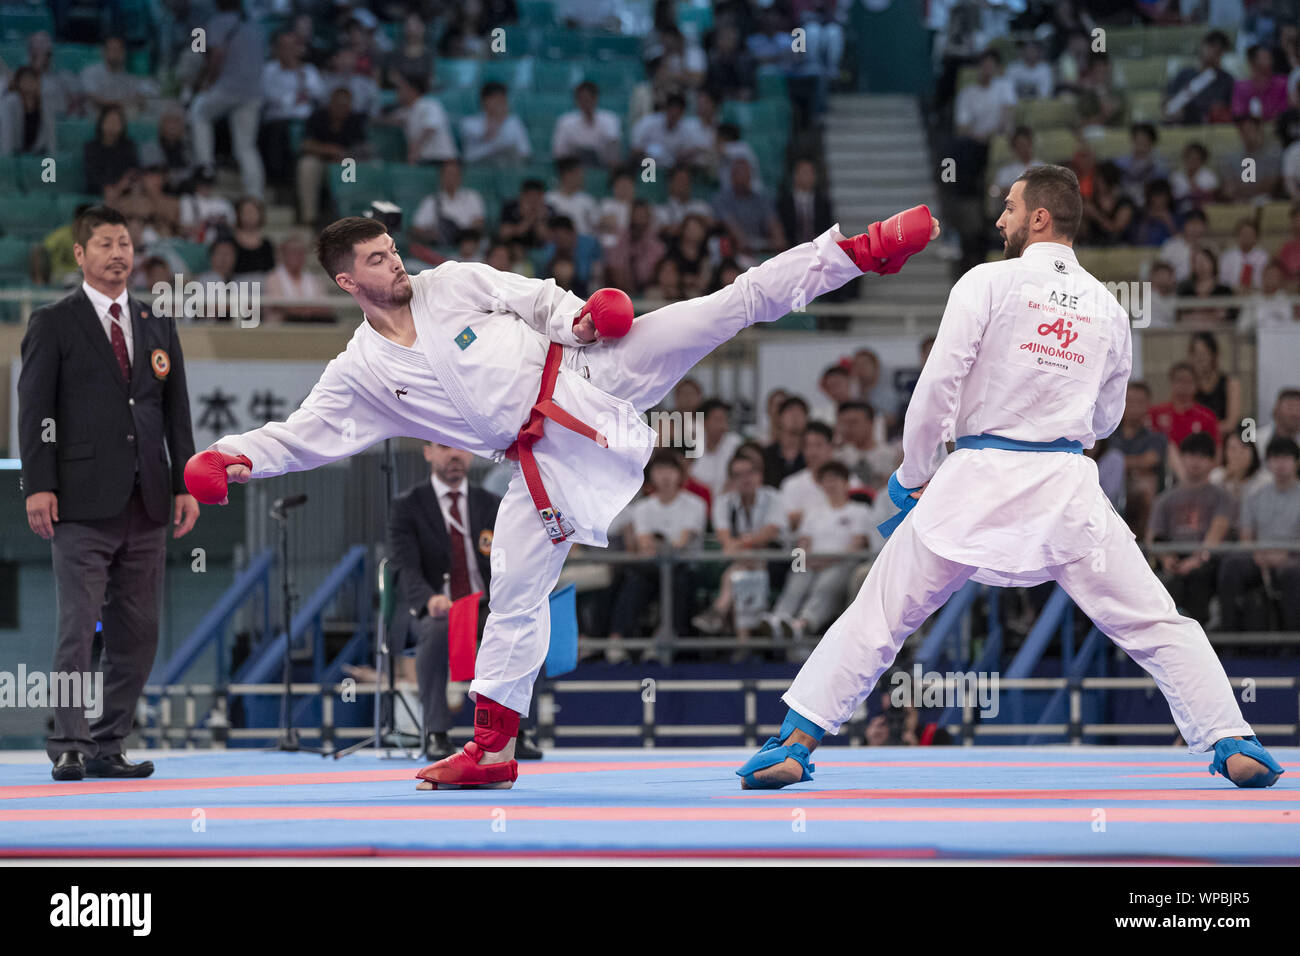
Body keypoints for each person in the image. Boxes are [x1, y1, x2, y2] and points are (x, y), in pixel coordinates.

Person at [184, 204, 942, 790]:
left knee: (724, 307)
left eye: (391, 246)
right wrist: (228, 456)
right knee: (513, 587)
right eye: (376, 259)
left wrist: (583, 317)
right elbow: (306, 432)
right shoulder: (362, 371)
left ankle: (858, 250)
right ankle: (492, 746)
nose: (394, 260)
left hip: (590, 373)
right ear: (349, 283)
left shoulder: (450, 281)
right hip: (540, 455)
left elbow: (535, 298)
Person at [738, 165, 1284, 791]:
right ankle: (1231, 738)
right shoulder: (1108, 307)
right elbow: (1107, 416)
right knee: (1156, 621)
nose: (1000, 219)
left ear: (1040, 218)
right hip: (1065, 486)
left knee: (879, 614)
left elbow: (937, 388)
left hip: (973, 480)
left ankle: (796, 741)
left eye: (1010, 207)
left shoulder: (988, 282)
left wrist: (912, 475)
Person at [18, 206, 198, 781]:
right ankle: (68, 741)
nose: (118, 253)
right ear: (80, 255)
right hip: (79, 501)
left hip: (146, 500)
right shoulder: (54, 322)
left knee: (139, 631)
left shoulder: (155, 322)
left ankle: (107, 741)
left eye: (124, 242)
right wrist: (39, 484)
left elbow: (176, 415)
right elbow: (34, 412)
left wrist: (185, 483)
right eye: (104, 244)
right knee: (78, 627)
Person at [386, 443, 522, 760]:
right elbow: (404, 564)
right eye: (445, 447)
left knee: (522, 626)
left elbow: (507, 559)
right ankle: (436, 732)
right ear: (428, 452)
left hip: (484, 605)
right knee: (436, 629)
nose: (454, 455)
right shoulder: (407, 506)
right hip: (435, 607)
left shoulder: (491, 504)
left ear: (472, 454)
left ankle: (515, 733)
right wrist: (427, 598)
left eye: (461, 448)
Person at [764, 461, 870, 639]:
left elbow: (856, 545)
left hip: (842, 563)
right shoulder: (812, 512)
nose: (830, 484)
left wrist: (825, 560)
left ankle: (804, 622)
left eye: (835, 480)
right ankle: (779, 618)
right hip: (812, 561)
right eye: (826, 481)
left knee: (826, 583)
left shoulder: (860, 511)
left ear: (846, 483)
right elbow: (803, 540)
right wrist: (804, 560)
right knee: (797, 574)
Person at [1147, 432, 1233, 624]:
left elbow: (1216, 536)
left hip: (1205, 561)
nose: (1195, 461)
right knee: (1164, 584)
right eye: (1191, 455)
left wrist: (1195, 561)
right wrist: (1167, 559)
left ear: (1212, 462)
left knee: (1198, 581)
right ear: (1182, 458)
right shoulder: (1164, 500)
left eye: (1202, 456)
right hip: (1172, 559)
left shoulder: (1222, 497)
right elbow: (1154, 538)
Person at [1217, 438, 1300, 631]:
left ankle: (1292, 643)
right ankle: (1229, 635)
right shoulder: (1255, 495)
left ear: (1296, 461)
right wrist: (1257, 554)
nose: (1280, 463)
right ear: (1268, 462)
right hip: (1258, 555)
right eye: (1275, 458)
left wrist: (1286, 555)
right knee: (1232, 564)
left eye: (1286, 458)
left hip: (1293, 557)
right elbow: (1246, 534)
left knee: (1292, 572)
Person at [189, 0, 266, 198]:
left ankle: (206, 169)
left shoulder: (218, 22)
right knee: (246, 146)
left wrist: (207, 82)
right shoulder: (255, 26)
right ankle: (255, 195)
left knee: (198, 112)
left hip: (228, 88)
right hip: (253, 92)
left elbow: (216, 55)